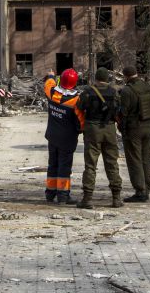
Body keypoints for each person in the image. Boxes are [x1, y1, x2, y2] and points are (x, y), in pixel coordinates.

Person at [76, 68, 123, 209]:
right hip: (109, 128)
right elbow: (119, 110)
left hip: (92, 128)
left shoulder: (88, 92)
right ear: (107, 79)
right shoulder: (114, 92)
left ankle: (88, 198)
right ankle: (116, 198)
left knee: (91, 164)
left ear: (96, 78)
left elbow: (79, 106)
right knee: (112, 163)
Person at [42, 68, 82, 204]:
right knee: (64, 167)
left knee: (52, 164)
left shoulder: (53, 94)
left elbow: (48, 83)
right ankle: (63, 195)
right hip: (67, 140)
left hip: (52, 137)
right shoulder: (76, 100)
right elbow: (81, 123)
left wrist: (51, 75)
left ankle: (50, 193)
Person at [118, 66, 150, 203]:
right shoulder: (149, 87)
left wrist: (122, 129)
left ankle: (140, 191)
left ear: (126, 76)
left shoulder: (127, 91)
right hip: (148, 126)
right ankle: (146, 187)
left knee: (134, 159)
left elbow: (123, 113)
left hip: (134, 129)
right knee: (145, 158)